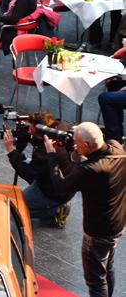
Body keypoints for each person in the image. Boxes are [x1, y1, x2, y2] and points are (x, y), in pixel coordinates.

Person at [44, 122, 126, 297]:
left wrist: (52, 155)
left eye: (76, 142)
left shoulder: (91, 170)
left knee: (95, 281)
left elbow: (61, 187)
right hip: (117, 224)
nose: (74, 144)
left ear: (86, 145)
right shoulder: (117, 148)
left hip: (97, 233)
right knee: (106, 267)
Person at [3, 111, 76, 228]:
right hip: (65, 182)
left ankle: (55, 209)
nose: (29, 131)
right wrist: (28, 134)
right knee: (27, 162)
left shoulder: (45, 153)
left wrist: (11, 150)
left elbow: (29, 173)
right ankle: (58, 203)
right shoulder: (62, 128)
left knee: (14, 210)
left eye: (31, 129)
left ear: (41, 133)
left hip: (52, 191)